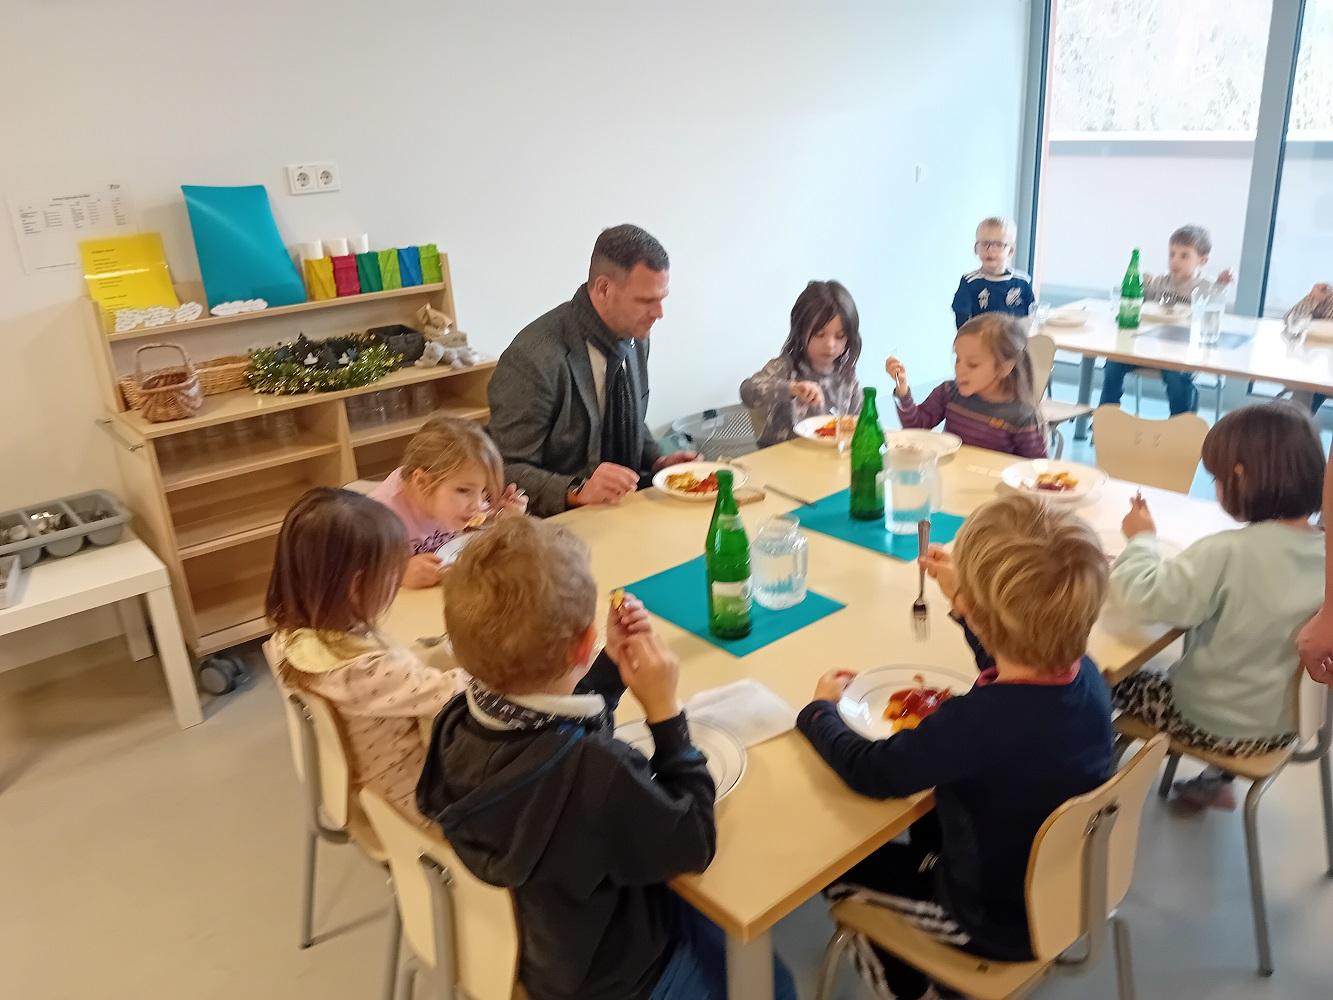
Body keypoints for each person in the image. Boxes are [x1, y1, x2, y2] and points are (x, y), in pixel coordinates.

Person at [416, 516, 795, 1000]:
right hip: (619, 976)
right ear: (581, 643)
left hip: (545, 952)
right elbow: (694, 842)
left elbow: (551, 739)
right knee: (774, 982)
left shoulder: (455, 722)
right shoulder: (599, 771)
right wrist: (665, 713)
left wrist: (608, 669)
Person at [797, 494, 1113, 1000]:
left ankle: (911, 990)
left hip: (991, 921)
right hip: (1068, 885)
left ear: (977, 608)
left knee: (839, 871)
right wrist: (966, 606)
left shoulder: (978, 723)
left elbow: (873, 771)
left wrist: (817, 715)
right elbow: (1014, 650)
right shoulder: (1087, 677)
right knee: (923, 825)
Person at [1109, 402, 1325, 809]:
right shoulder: (1325, 551)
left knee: (1101, 681)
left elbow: (1143, 597)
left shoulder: (1227, 553)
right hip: (1284, 722)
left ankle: (1084, 794)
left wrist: (1140, 539)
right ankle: (1214, 782)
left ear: (1239, 476)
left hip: (1213, 722)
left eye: (1217, 478)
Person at [266, 488, 467, 819]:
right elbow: (459, 695)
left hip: (368, 789)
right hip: (423, 801)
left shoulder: (291, 637)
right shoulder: (367, 670)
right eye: (393, 571)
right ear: (357, 586)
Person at [487, 224, 700, 517]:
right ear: (603, 288)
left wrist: (658, 462)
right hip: (563, 525)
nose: (659, 313)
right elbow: (501, 468)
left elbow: (627, 419)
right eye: (646, 301)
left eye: (662, 298)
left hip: (626, 509)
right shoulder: (534, 357)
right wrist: (576, 489)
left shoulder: (635, 337)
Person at [369, 416, 527, 588]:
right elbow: (351, 579)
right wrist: (399, 575)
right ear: (422, 482)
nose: (477, 504)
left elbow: (480, 520)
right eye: (464, 490)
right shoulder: (379, 519)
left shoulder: (453, 497)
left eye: (483, 492)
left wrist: (503, 515)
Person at [1099, 224, 1234, 416]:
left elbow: (1215, 301)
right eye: (1172, 254)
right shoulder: (1161, 283)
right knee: (1113, 362)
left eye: (1184, 255)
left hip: (1182, 353)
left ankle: (1180, 425)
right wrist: (1141, 284)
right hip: (1149, 348)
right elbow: (1136, 300)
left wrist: (1222, 283)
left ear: (1202, 260)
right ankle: (1107, 415)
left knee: (1176, 377)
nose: (1175, 261)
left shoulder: (1204, 287)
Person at [886, 314, 1047, 458]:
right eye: (958, 360)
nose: (960, 369)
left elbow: (1034, 471)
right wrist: (902, 389)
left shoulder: (1022, 416)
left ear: (1004, 367)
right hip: (951, 481)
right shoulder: (949, 393)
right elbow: (916, 427)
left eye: (972, 364)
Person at [739, 280, 864, 447]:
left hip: (827, 461)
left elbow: (860, 423)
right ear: (801, 330)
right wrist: (791, 388)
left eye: (840, 336)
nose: (830, 345)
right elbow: (748, 392)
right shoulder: (785, 367)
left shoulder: (847, 376)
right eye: (819, 334)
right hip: (781, 462)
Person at [951, 216, 1034, 329]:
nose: (990, 250)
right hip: (982, 343)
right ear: (976, 248)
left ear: (1010, 250)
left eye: (998, 244)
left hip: (1016, 342)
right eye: (984, 243)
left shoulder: (1022, 281)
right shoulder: (970, 282)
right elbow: (962, 323)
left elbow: (1032, 316)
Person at [1284, 281, 1333, 414]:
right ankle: (1294, 427)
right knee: (1303, 394)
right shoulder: (1328, 295)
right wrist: (1313, 298)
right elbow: (1290, 320)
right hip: (1321, 366)